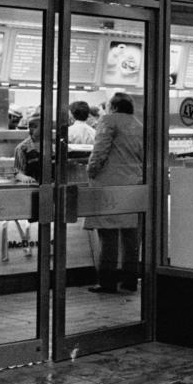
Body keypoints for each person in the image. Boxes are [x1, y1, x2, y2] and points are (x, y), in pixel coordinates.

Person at [85, 92, 145, 293]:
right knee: (131, 236)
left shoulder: (108, 120)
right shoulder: (138, 125)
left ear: (113, 107)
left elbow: (100, 150)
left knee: (108, 235)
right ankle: (130, 280)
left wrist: (91, 171)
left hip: (109, 185)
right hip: (133, 185)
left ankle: (107, 281)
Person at [12, 115, 41, 184]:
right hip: (33, 186)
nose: (31, 128)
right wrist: (24, 178)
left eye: (35, 126)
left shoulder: (52, 146)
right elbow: (17, 173)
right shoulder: (21, 148)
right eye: (31, 126)